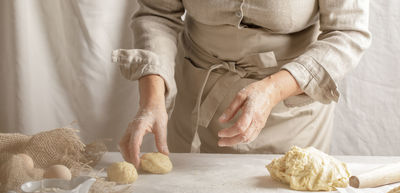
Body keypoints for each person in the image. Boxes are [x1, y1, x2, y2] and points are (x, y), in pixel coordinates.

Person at [112, 0, 371, 168]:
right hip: (198, 103)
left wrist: (273, 90)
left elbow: (349, 31)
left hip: (291, 110)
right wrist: (152, 99)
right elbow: (157, 14)